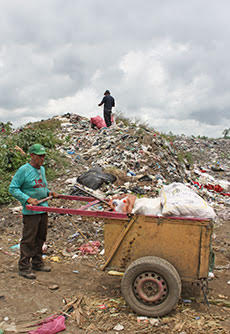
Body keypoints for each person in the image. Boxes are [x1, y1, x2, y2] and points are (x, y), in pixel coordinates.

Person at [9, 143, 59, 279]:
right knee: (29, 239)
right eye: (39, 156)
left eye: (44, 156)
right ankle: (24, 267)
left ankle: (37, 262)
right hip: (31, 212)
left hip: (43, 208)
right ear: (32, 155)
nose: (42, 159)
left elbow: (41, 186)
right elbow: (13, 188)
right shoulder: (24, 170)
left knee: (41, 237)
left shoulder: (41, 169)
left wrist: (49, 192)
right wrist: (27, 199)